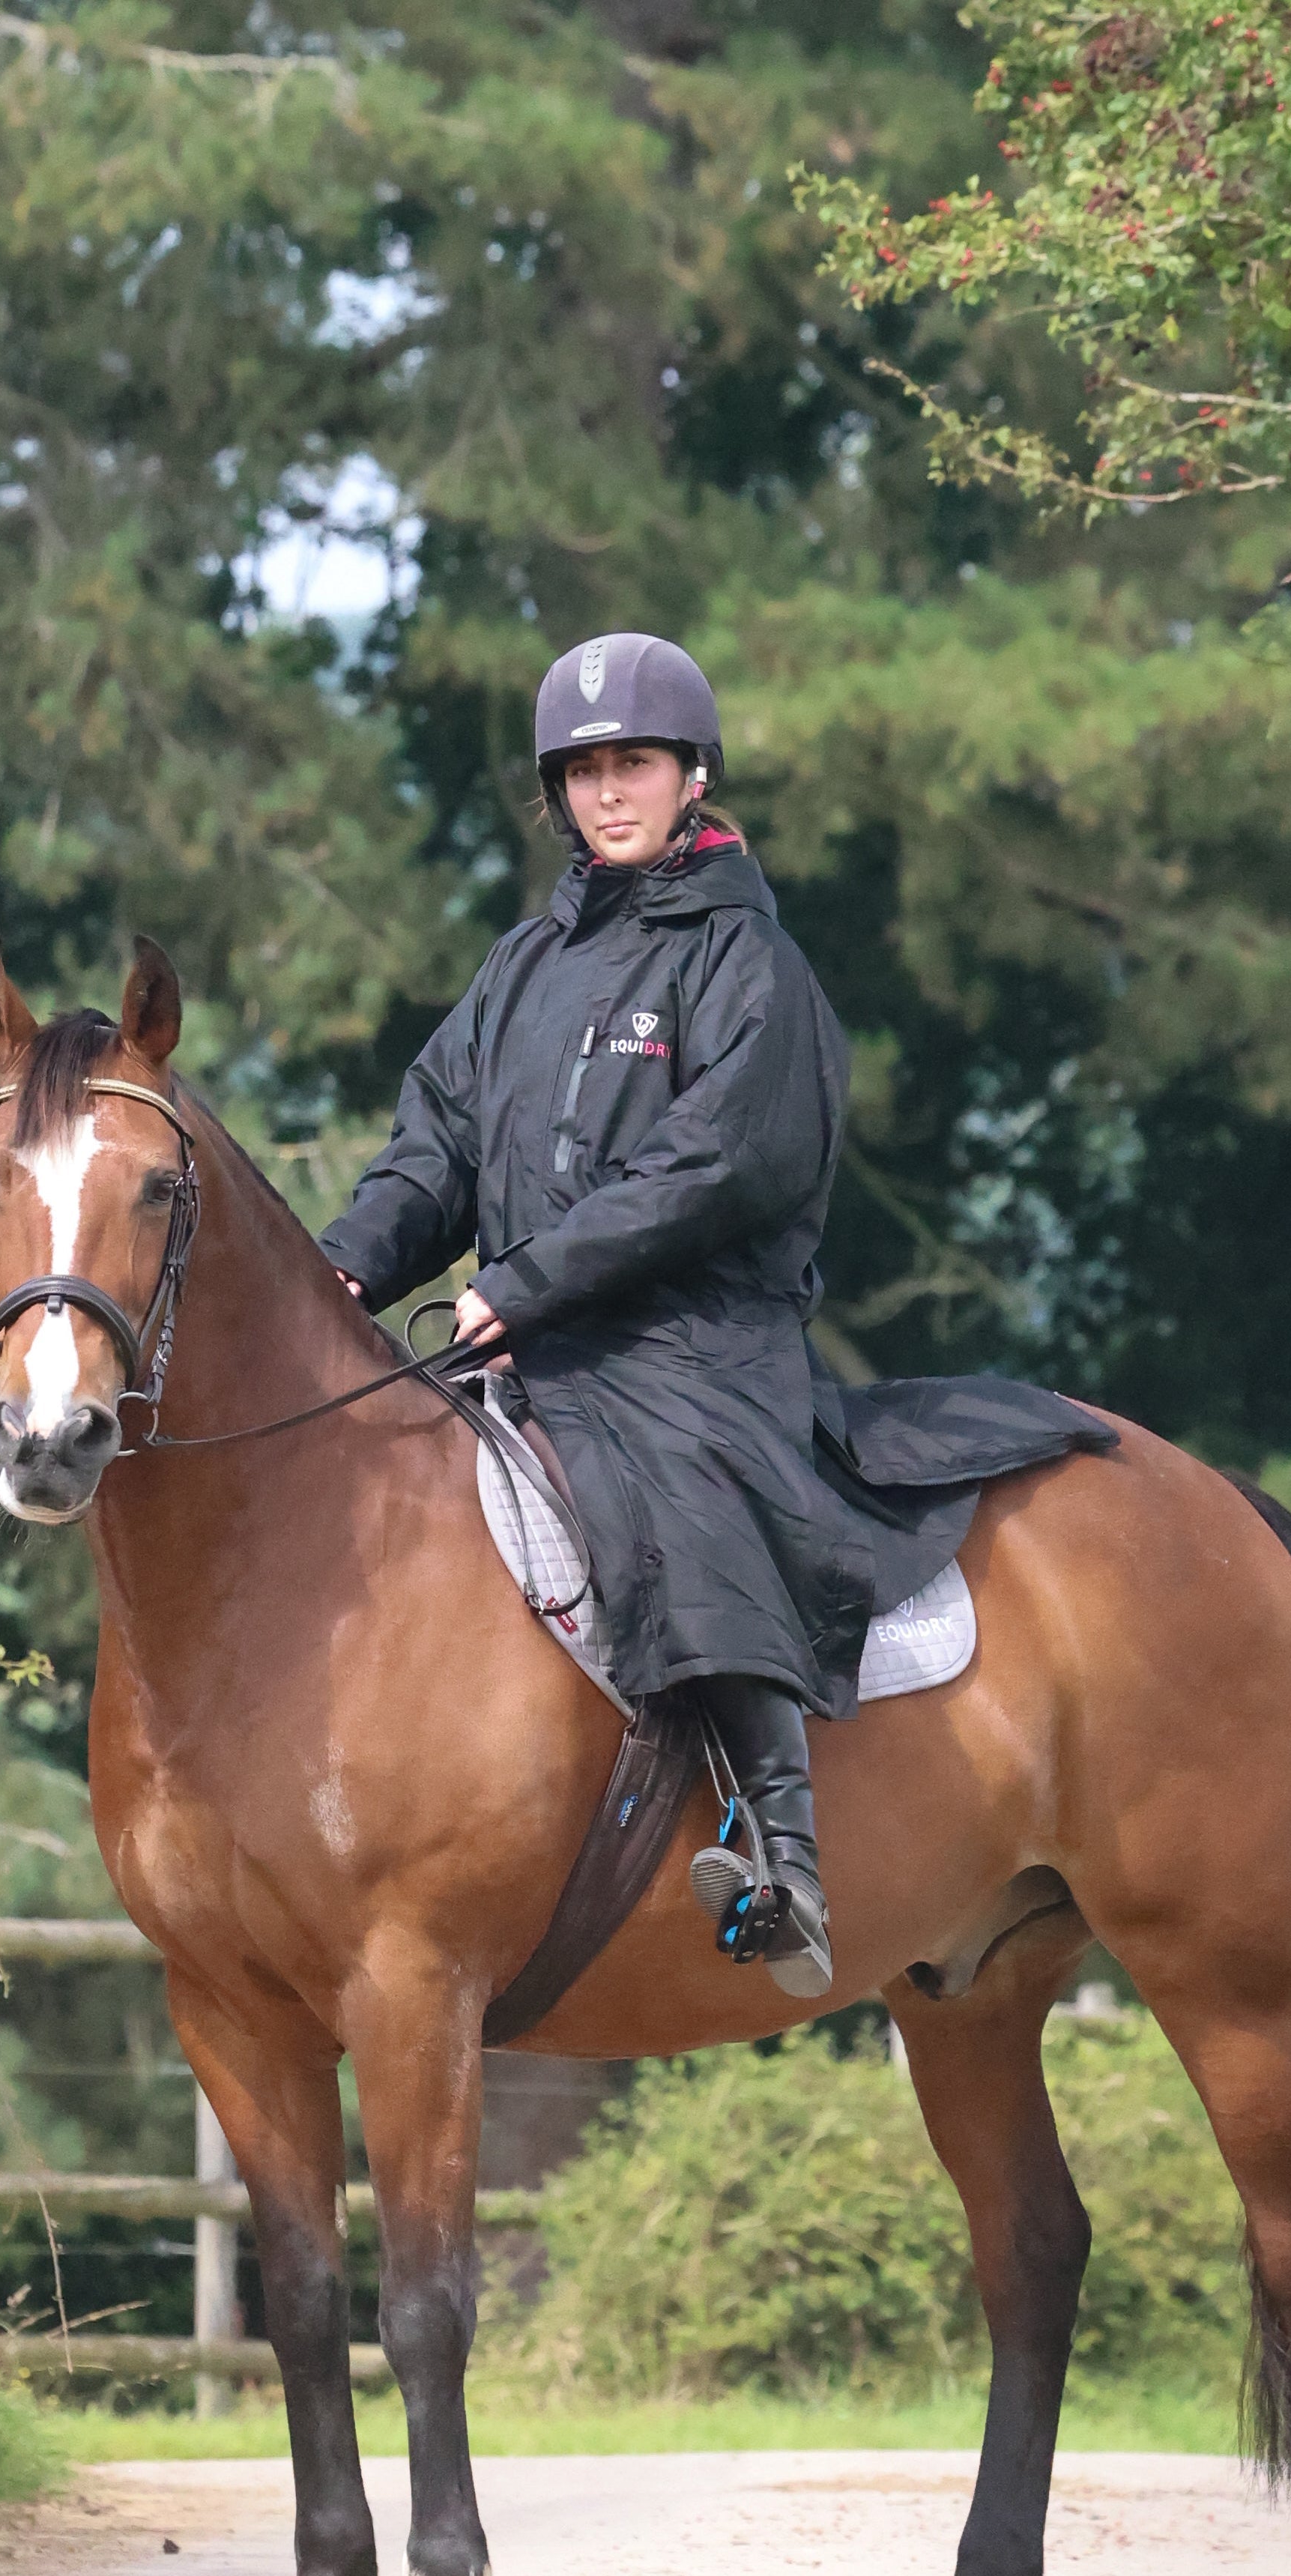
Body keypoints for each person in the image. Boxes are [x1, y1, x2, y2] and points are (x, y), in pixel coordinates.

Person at [317, 632, 866, 1999]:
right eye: (584, 771)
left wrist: (530, 1281)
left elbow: (720, 1166)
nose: (608, 793)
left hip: (694, 1341)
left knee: (680, 1484)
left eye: (635, 765)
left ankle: (782, 1854)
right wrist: (342, 1270)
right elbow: (433, 1144)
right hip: (528, 1334)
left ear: (692, 777)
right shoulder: (524, 964)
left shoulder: (749, 964)